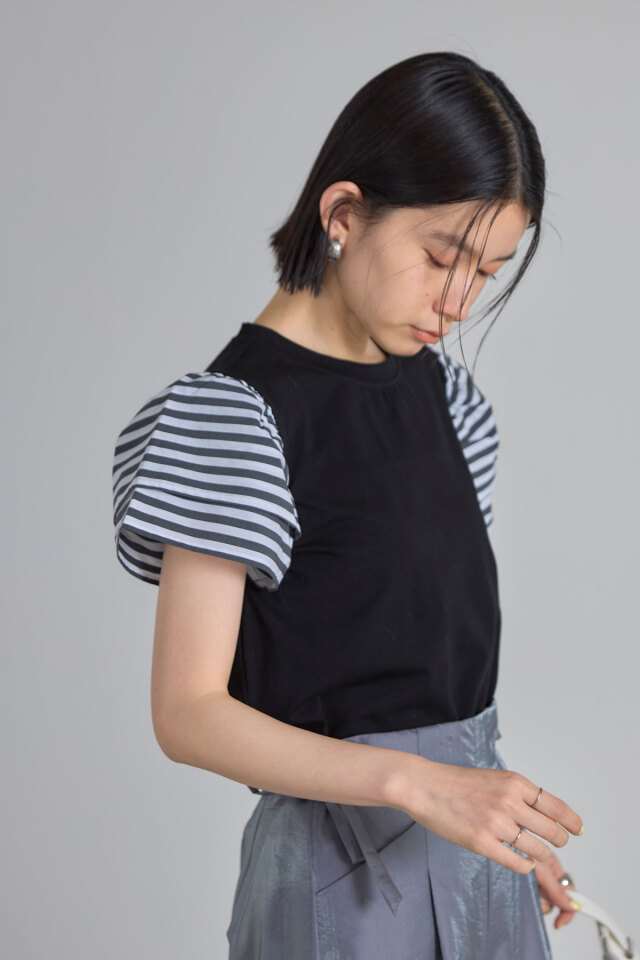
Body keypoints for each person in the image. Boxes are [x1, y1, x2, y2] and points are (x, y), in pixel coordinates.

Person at [111, 51, 584, 959]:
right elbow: (188, 711)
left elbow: (429, 668)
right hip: (342, 882)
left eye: (487, 273)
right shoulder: (236, 416)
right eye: (441, 257)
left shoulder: (450, 400)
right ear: (343, 214)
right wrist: (420, 786)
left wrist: (495, 821)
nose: (459, 301)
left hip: (476, 867)